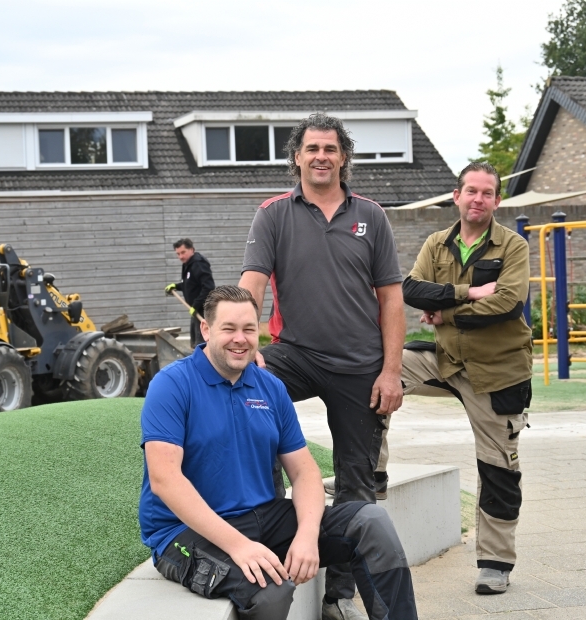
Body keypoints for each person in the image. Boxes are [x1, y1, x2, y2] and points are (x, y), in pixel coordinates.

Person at [139, 285, 417, 620]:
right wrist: (239, 545)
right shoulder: (172, 384)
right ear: (206, 329)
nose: (239, 339)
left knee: (371, 521)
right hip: (184, 532)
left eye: (248, 329)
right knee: (272, 590)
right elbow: (165, 479)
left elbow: (304, 472)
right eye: (228, 329)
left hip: (264, 516)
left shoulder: (269, 387)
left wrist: (306, 533)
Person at [238, 113, 406, 620]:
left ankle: (340, 598)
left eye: (330, 149)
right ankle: (264, 551)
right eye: (312, 148)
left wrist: (391, 370)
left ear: (343, 157)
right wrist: (247, 348)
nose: (321, 157)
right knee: (248, 393)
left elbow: (393, 301)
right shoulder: (273, 214)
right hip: (297, 354)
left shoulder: (371, 216)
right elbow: (252, 283)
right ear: (296, 157)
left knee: (357, 485)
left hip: (361, 366)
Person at [398, 161, 533, 594]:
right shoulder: (437, 244)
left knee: (499, 468)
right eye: (470, 191)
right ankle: (370, 473)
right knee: (377, 376)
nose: (478, 199)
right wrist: (466, 294)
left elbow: (509, 303)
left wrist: (446, 309)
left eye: (487, 193)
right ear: (456, 196)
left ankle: (496, 564)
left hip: (498, 370)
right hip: (445, 358)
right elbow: (410, 289)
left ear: (497, 200)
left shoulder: (512, 247)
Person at [165, 238, 215, 348]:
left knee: (202, 342)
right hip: (195, 310)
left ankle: (204, 363)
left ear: (192, 249)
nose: (180, 257)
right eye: (178, 254)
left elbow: (209, 287)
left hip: (203, 310)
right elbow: (190, 284)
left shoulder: (198, 263)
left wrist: (196, 305)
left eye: (183, 252)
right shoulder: (188, 264)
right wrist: (176, 286)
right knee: (195, 341)